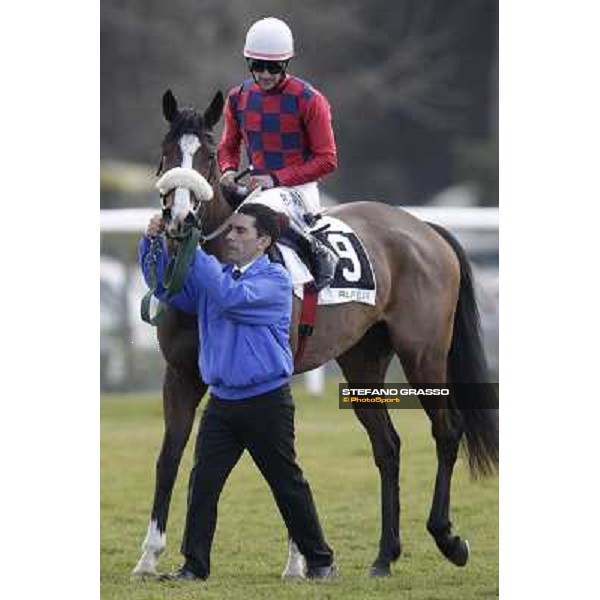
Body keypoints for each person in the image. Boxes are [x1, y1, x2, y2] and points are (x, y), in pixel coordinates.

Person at [138, 202, 337, 581]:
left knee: (287, 485)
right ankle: (194, 567)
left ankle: (321, 560)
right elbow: (166, 285)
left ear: (263, 241)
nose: (230, 236)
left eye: (240, 231)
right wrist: (151, 244)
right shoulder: (219, 276)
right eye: (229, 229)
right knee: (203, 485)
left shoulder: (275, 281)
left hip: (267, 403)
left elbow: (229, 297)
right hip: (222, 403)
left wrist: (195, 250)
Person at [218, 16, 339, 292]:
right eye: (257, 66)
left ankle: (317, 252)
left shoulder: (309, 100)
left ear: (286, 63)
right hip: (258, 191)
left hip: (300, 191)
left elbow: (327, 159)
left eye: (273, 67)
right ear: (248, 62)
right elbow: (228, 145)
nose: (265, 74)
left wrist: (275, 178)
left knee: (262, 211)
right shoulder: (237, 98)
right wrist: (227, 169)